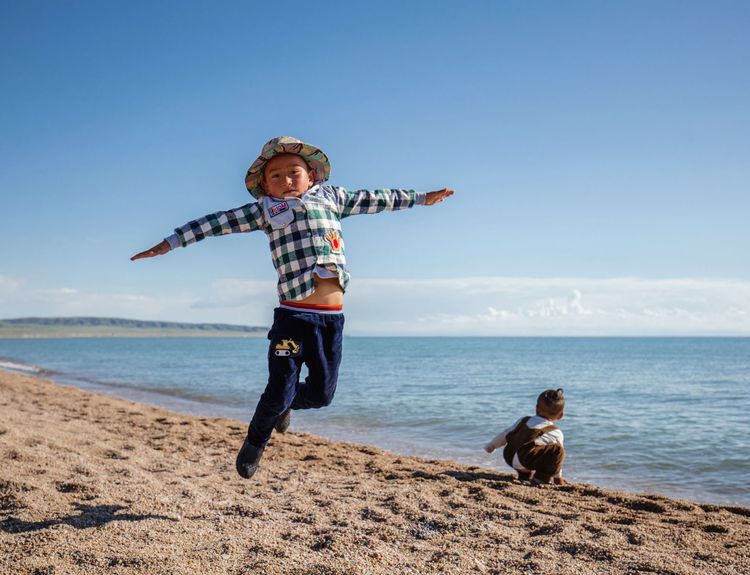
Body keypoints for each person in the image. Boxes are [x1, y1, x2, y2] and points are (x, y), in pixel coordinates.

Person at [131, 136, 454, 480]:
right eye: (276, 176)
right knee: (279, 388)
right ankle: (256, 442)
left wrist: (421, 198)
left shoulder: (333, 198)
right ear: (264, 185)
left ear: (312, 175)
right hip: (292, 317)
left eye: (293, 172)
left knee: (321, 395)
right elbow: (216, 223)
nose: (285, 181)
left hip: (331, 321)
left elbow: (376, 199)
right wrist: (171, 243)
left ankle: (283, 406)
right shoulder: (265, 210)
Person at [484, 388, 566, 486]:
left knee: (529, 446)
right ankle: (540, 479)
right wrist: (557, 476)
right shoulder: (556, 432)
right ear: (561, 415)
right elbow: (557, 460)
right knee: (558, 451)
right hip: (525, 460)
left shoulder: (524, 420)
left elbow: (506, 433)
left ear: (536, 408)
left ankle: (524, 475)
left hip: (510, 456)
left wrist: (491, 446)